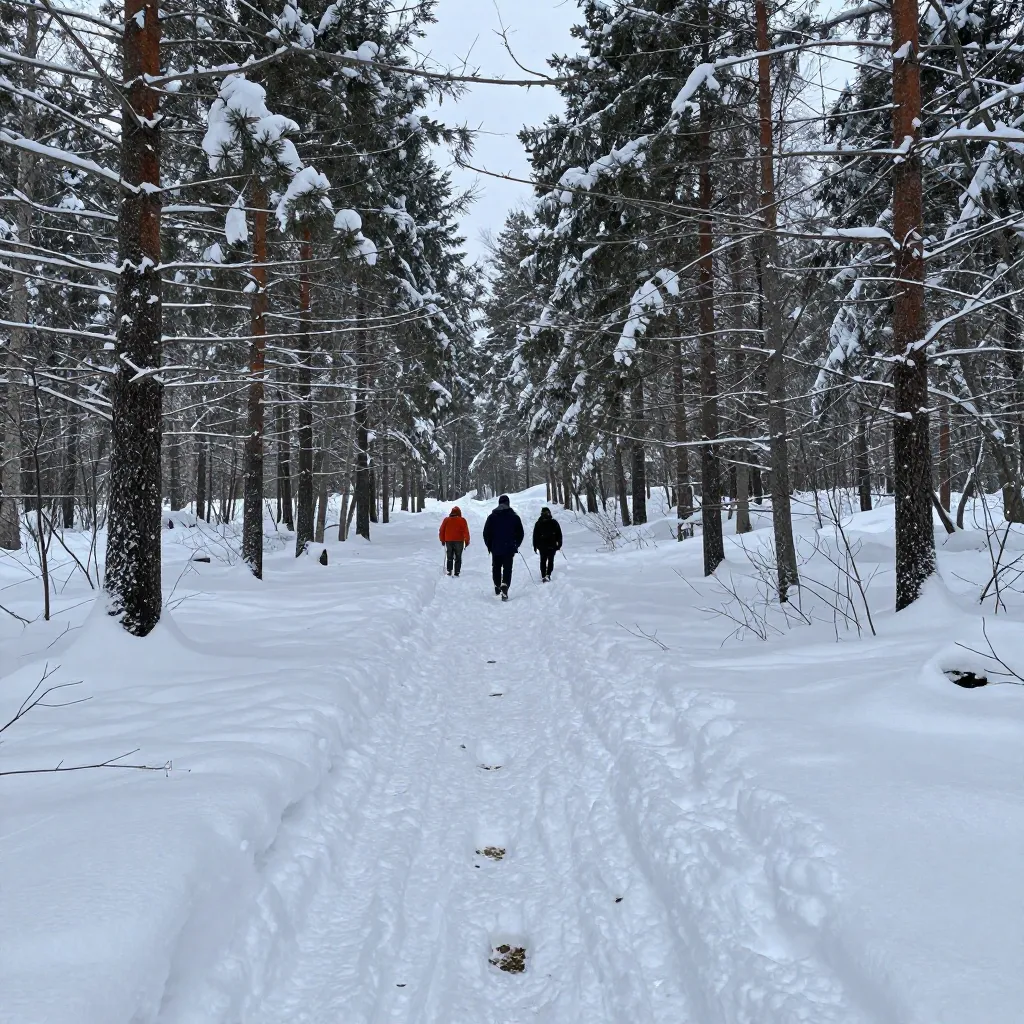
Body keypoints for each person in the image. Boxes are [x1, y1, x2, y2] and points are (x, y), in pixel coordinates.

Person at [482, 494, 524, 600]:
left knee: (496, 567)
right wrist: (516, 544)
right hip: (509, 548)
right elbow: (520, 533)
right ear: (508, 503)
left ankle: (497, 585)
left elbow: (486, 533)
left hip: (496, 548)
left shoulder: (492, 517)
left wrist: (490, 545)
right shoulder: (514, 517)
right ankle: (504, 584)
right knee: (507, 568)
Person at [532, 507, 563, 582]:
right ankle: (547, 574)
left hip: (543, 546)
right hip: (551, 545)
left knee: (543, 560)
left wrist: (535, 546)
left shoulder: (538, 523)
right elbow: (559, 534)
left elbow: (535, 536)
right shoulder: (553, 522)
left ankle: (544, 575)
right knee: (550, 560)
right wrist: (559, 544)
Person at [438, 506, 470, 577]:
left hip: (448, 541)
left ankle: (449, 571)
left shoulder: (446, 520)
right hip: (459, 541)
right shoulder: (462, 520)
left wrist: (442, 540)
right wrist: (467, 541)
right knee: (458, 557)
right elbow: (466, 532)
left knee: (449, 556)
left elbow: (441, 530)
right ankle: (457, 572)